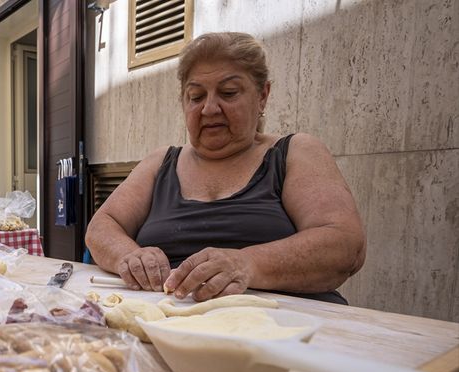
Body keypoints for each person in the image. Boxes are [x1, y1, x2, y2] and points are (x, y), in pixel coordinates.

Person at [85, 32, 365, 305]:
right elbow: (101, 227)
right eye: (195, 97)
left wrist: (247, 264)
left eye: (228, 93)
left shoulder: (294, 152)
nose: (209, 109)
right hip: (167, 327)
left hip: (287, 332)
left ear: (263, 96)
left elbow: (344, 246)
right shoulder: (161, 162)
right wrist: (130, 255)